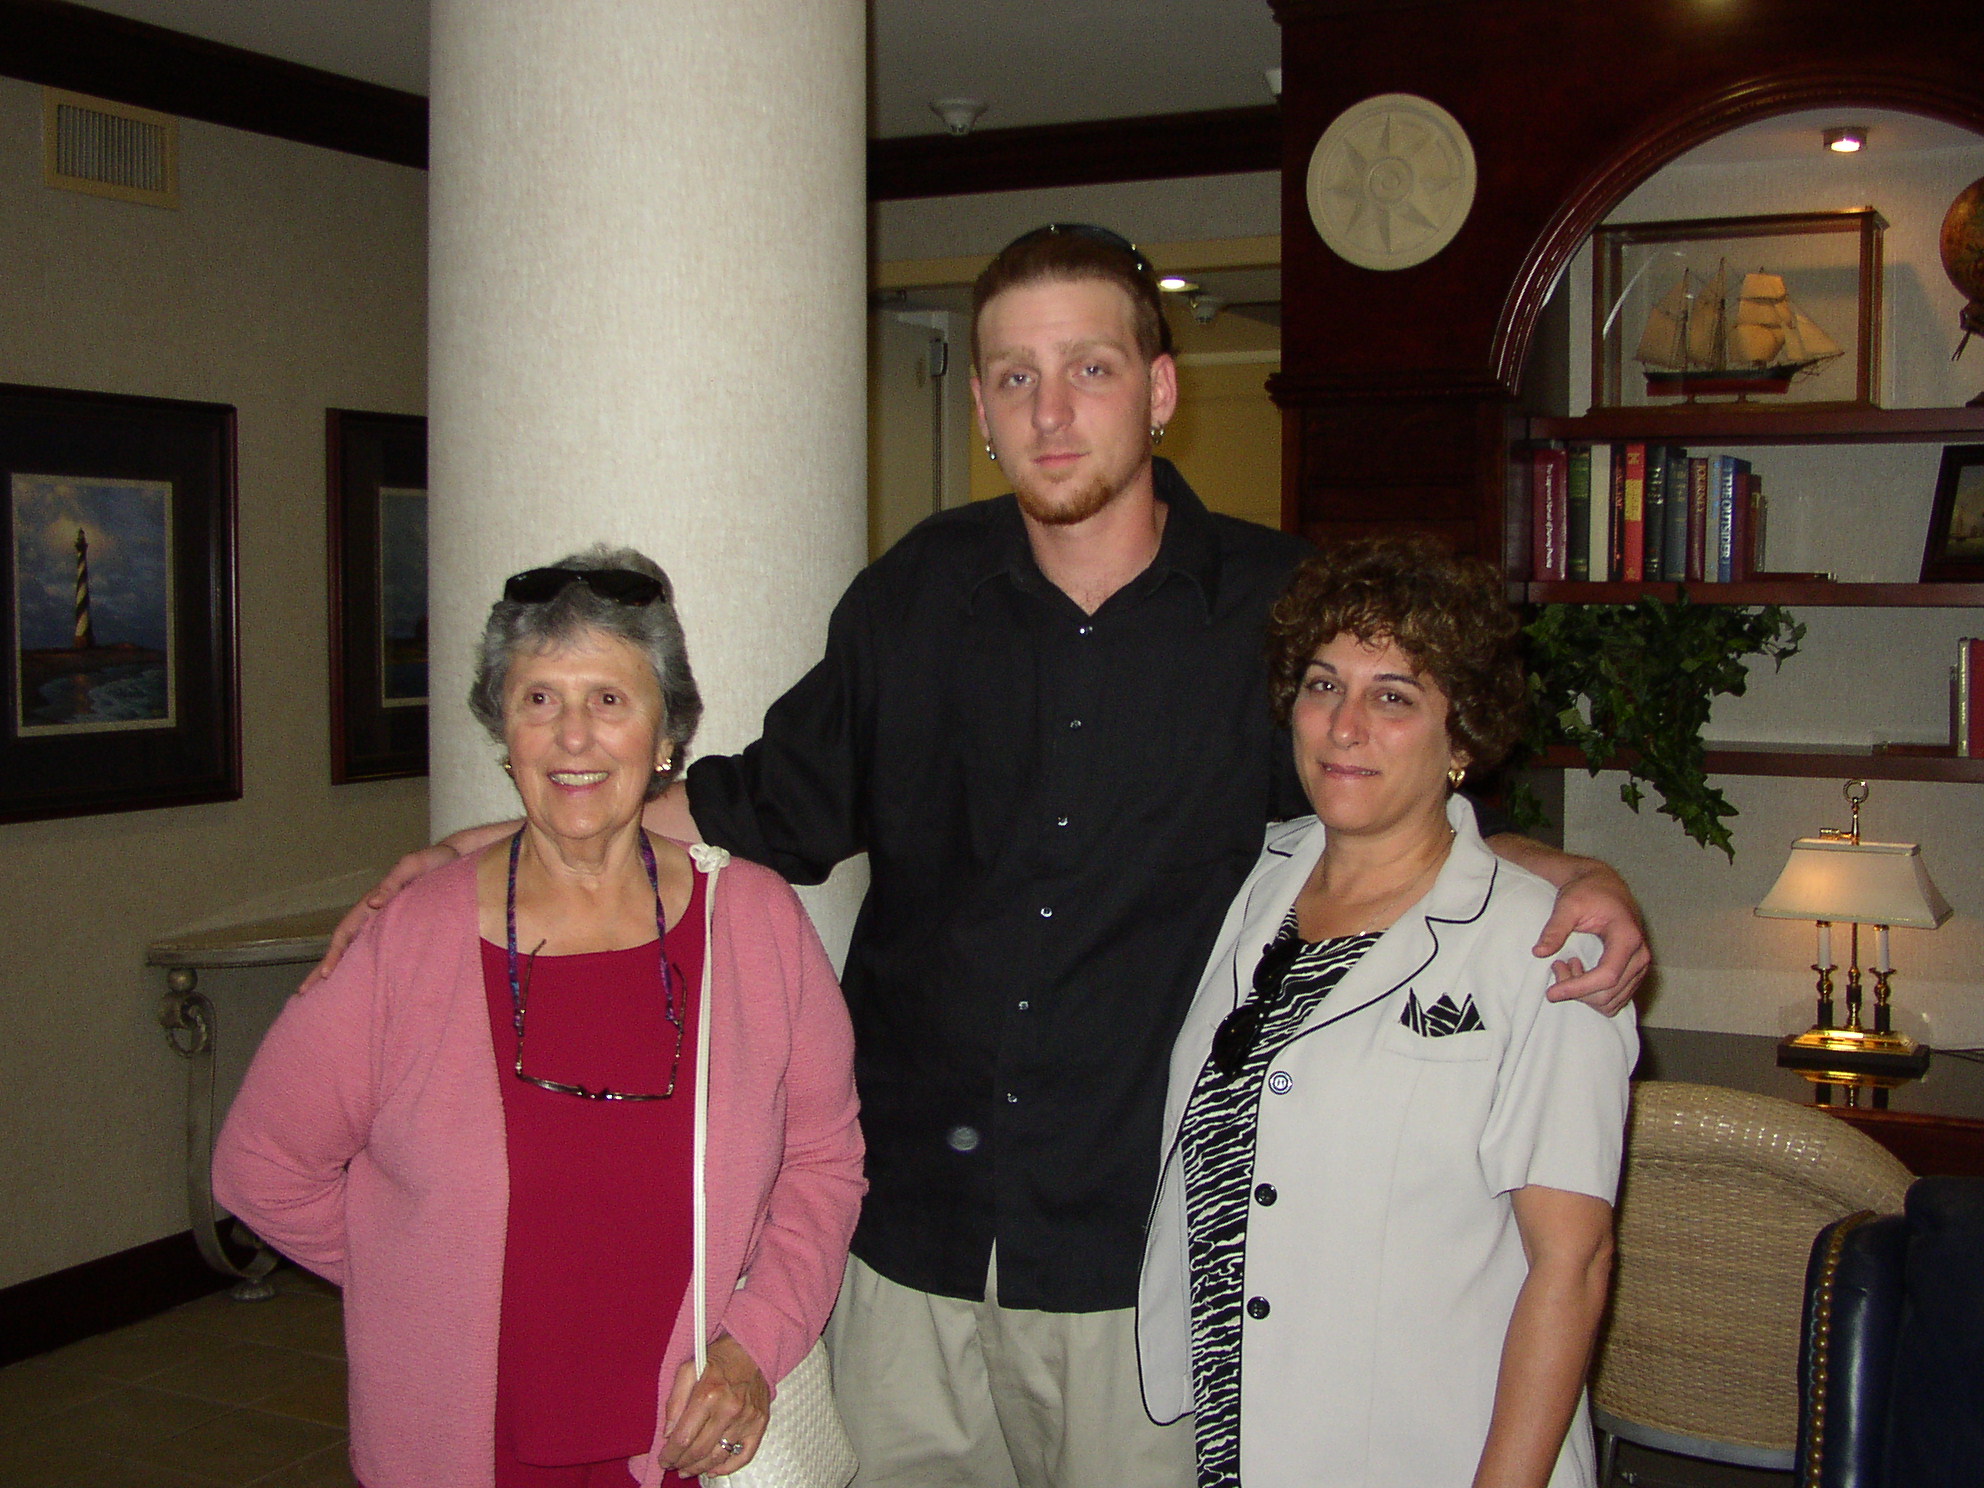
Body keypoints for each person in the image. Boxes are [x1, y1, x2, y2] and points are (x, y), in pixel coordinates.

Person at [320, 226, 1649, 1488]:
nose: (1051, 412)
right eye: (1015, 377)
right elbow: (762, 802)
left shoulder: (1272, 610)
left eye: (1091, 370)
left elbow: (1382, 799)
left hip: (1134, 1248)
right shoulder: (914, 596)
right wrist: (522, 831)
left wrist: (1565, 874)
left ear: (1160, 390)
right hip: (912, 1241)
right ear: (981, 408)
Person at [216, 548, 864, 1488]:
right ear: (504, 731)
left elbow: (824, 1162)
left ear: (666, 735)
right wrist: (420, 1282)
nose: (573, 736)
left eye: (609, 699)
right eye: (539, 699)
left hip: (690, 1441)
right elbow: (262, 1167)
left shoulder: (755, 922)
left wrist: (753, 1344)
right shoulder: (412, 939)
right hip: (469, 1444)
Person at [1139, 535, 1636, 1488]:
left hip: (1433, 1453)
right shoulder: (1259, 883)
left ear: (1464, 737)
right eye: (1323, 685)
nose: (1344, 726)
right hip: (1240, 1440)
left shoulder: (1547, 949)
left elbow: (1571, 1267)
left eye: (1394, 696)